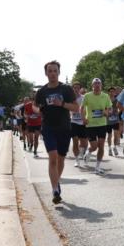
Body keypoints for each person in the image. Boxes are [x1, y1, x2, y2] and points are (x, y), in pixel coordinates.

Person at [35, 61, 78, 204]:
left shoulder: (66, 89)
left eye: (55, 71)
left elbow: (76, 108)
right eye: (50, 71)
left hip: (64, 127)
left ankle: (56, 181)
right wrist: (39, 110)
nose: (52, 73)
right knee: (52, 157)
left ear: (59, 72)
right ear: (46, 73)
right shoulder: (42, 91)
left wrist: (62, 104)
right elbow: (35, 106)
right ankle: (55, 190)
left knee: (61, 159)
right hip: (48, 127)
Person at [82, 78, 113, 174]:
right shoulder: (87, 96)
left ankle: (97, 167)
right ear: (92, 86)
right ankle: (88, 151)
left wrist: (107, 113)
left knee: (101, 146)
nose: (97, 85)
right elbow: (81, 108)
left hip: (102, 124)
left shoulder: (105, 96)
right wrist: (83, 118)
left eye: (99, 83)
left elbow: (110, 109)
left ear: (101, 85)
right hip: (90, 125)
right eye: (95, 83)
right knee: (94, 146)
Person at [70, 82, 89, 165]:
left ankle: (81, 152)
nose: (76, 89)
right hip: (73, 122)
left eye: (78, 88)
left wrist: (86, 117)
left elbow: (88, 108)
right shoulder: (69, 98)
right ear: (72, 89)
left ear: (80, 89)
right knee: (75, 141)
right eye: (74, 88)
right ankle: (77, 160)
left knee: (84, 143)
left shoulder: (84, 98)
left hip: (83, 122)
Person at [106, 86, 122, 156]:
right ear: (108, 92)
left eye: (113, 91)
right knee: (109, 135)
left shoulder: (117, 100)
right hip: (108, 121)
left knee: (116, 135)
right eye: (110, 91)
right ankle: (109, 148)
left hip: (116, 120)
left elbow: (121, 107)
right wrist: (107, 113)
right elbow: (103, 108)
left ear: (115, 93)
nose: (112, 93)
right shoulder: (106, 100)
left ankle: (114, 147)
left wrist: (118, 112)